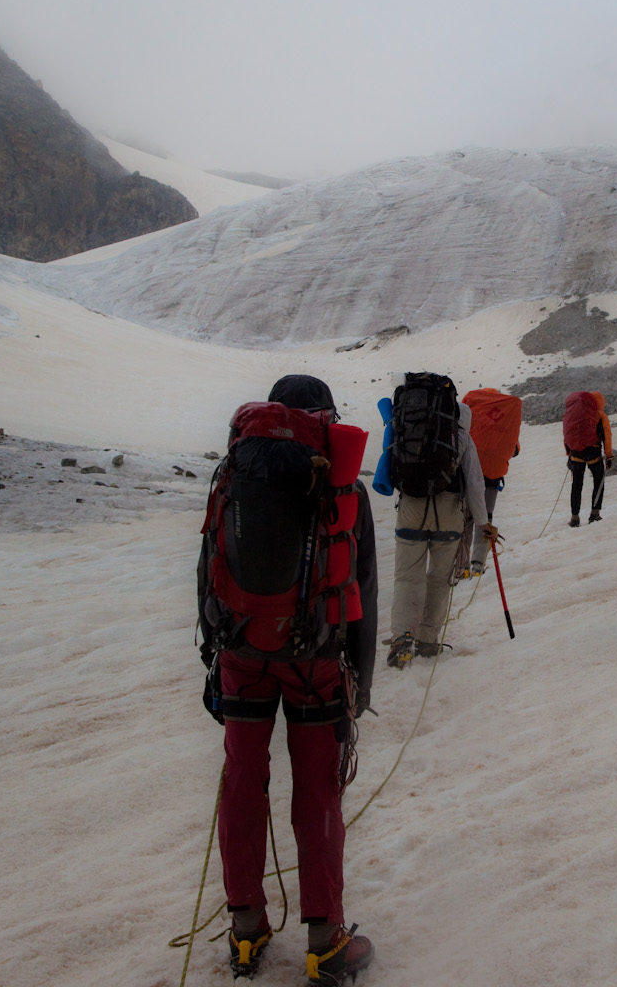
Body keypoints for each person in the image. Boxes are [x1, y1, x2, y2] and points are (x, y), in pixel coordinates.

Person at [197, 374, 377, 982]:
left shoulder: (235, 473)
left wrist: (214, 661)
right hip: (317, 661)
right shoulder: (342, 482)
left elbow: (209, 564)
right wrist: (362, 681)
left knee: (243, 782)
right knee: (318, 790)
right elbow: (363, 591)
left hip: (242, 655)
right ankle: (326, 940)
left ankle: (245, 930)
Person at [389, 394, 491, 664]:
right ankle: (427, 641)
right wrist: (483, 522)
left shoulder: (411, 428)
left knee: (406, 576)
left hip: (411, 508)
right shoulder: (463, 439)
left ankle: (402, 639)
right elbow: (475, 483)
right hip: (448, 513)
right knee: (439, 578)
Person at [460, 387, 522, 576]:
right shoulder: (505, 417)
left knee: (464, 521)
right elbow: (515, 449)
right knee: (485, 519)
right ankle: (478, 565)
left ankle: (461, 568)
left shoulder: (470, 410)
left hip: (467, 474)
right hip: (491, 478)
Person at [562, 390, 612, 527]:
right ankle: (594, 514)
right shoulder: (600, 415)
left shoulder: (572, 415)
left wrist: (569, 455)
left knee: (576, 485)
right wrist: (609, 456)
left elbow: (567, 436)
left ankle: (574, 517)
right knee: (598, 481)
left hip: (575, 454)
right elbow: (607, 436)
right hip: (593, 453)